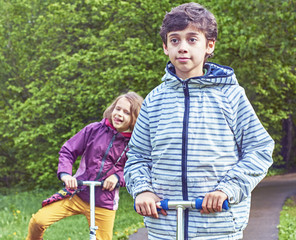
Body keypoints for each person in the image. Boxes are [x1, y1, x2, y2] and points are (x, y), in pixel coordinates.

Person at [124, 3, 274, 240]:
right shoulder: (154, 100)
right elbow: (137, 156)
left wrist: (227, 189)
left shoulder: (230, 95)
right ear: (165, 47)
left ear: (209, 45)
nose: (182, 47)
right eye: (175, 40)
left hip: (217, 226)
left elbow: (260, 150)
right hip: (165, 226)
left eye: (192, 39)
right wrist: (143, 190)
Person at [26, 92, 143, 240]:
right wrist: (66, 174)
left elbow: (135, 168)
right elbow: (68, 150)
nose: (119, 114)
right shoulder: (94, 130)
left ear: (135, 118)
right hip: (78, 192)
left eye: (126, 112)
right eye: (118, 109)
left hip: (104, 201)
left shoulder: (135, 143)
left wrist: (117, 177)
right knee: (38, 221)